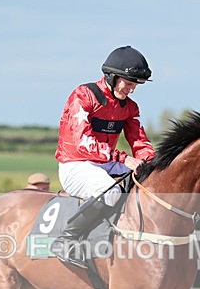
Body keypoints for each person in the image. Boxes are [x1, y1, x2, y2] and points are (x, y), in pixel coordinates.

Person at [50, 45, 156, 267]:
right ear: (112, 77)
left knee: (147, 182)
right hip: (75, 164)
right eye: (129, 84)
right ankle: (65, 240)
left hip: (106, 164)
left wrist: (152, 163)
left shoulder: (130, 108)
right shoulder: (83, 95)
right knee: (111, 192)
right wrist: (124, 159)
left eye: (135, 86)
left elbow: (140, 142)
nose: (132, 90)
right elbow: (83, 143)